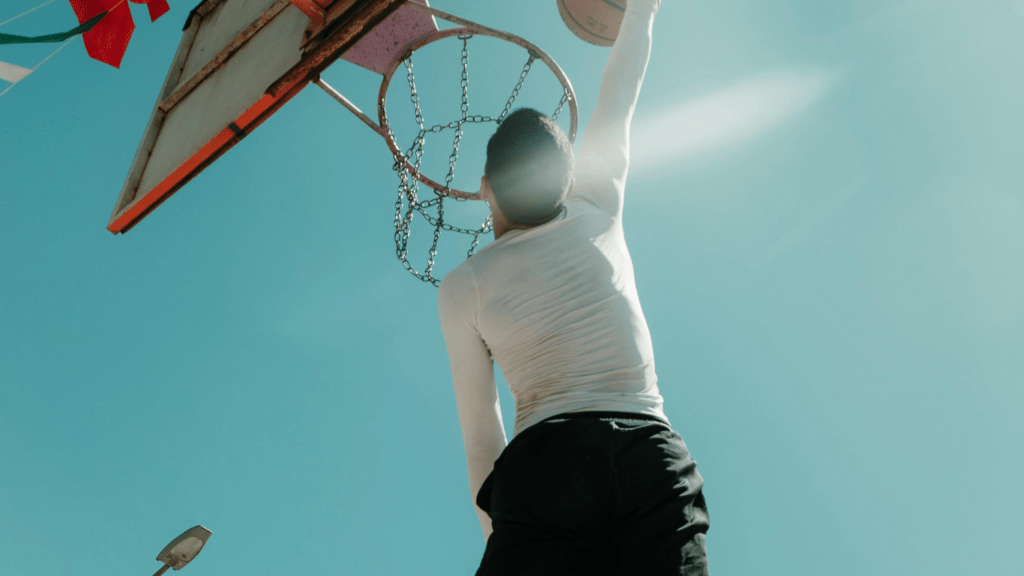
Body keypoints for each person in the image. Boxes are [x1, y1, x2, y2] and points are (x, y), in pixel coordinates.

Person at [438, 1, 710, 574]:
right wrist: (642, 10)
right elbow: (622, 87)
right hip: (648, 456)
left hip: (546, 462)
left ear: (485, 187)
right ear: (567, 179)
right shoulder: (597, 205)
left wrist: (508, 533)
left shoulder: (465, 285)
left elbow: (480, 438)